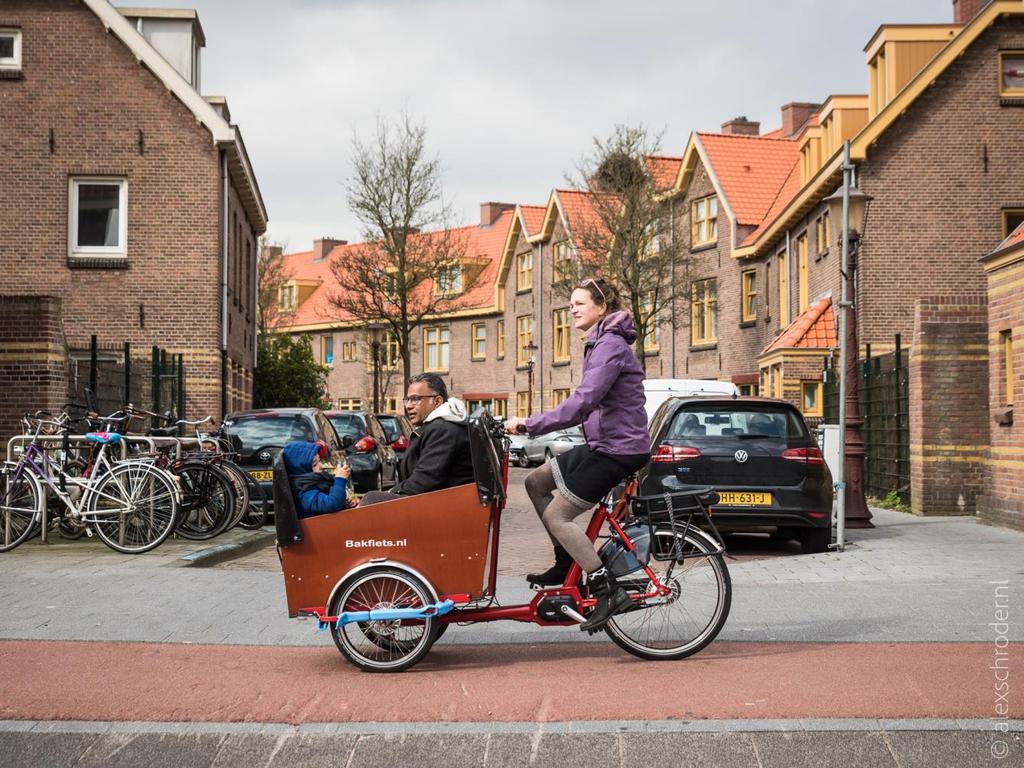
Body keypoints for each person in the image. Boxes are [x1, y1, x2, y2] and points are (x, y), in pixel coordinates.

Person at [504, 277, 650, 634]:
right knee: (537, 482)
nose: (572, 310)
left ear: (601, 308)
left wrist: (529, 425)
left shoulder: (610, 346)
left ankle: (605, 586)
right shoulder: (599, 342)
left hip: (619, 450)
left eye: (579, 304)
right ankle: (564, 560)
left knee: (559, 516)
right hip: (605, 445)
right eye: (571, 305)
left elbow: (581, 403)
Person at [360, 372, 475, 504]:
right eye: (407, 399)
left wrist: (391, 492)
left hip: (444, 509)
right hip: (441, 504)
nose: (408, 405)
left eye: (415, 399)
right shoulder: (440, 427)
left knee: (372, 499)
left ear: (437, 401)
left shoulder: (443, 430)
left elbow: (425, 480)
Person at [281, 440, 354, 518]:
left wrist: (344, 501)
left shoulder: (315, 481)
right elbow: (331, 504)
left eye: (319, 461)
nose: (320, 466)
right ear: (302, 469)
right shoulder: (303, 492)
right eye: (314, 464)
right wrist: (340, 479)